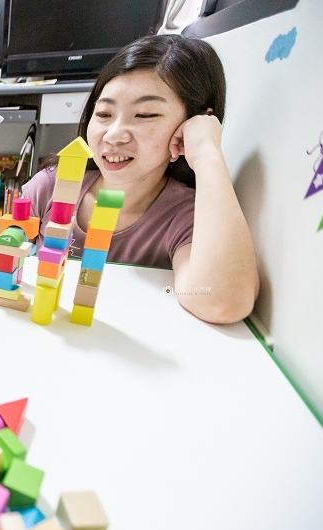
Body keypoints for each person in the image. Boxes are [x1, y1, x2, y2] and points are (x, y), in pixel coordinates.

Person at [22, 34, 259, 325]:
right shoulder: (51, 185)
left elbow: (221, 302)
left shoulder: (185, 216)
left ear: (189, 125)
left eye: (145, 115)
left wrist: (208, 152)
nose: (114, 135)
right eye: (105, 113)